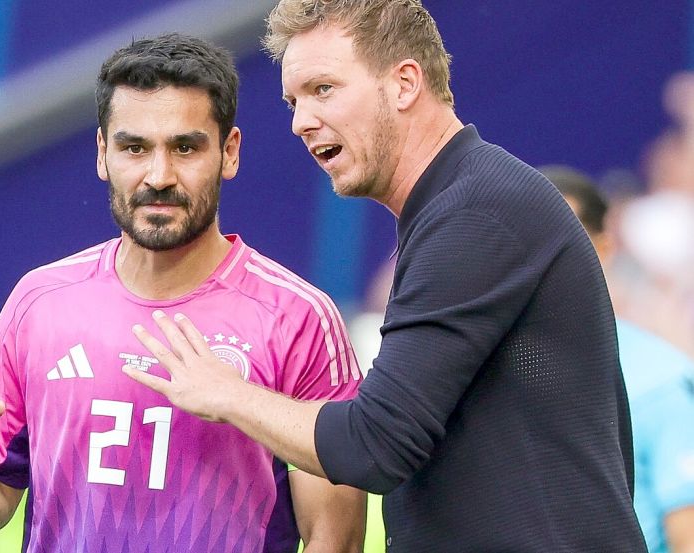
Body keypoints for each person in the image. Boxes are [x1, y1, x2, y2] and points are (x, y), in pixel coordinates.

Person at [124, 2, 647, 551]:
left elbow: (375, 443)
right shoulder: (464, 203)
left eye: (323, 88)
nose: (300, 120)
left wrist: (229, 393)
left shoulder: (475, 213)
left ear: (404, 84)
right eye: (293, 100)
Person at [0, 33, 366, 552]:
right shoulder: (40, 302)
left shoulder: (298, 317)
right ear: (103, 154)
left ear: (229, 153)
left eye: (185, 147)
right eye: (134, 147)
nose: (159, 175)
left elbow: (338, 540)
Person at [546, 165, 694, 553]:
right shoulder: (481, 368)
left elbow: (687, 534)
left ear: (605, 246)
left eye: (565, 237)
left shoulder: (661, 381)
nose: (543, 257)